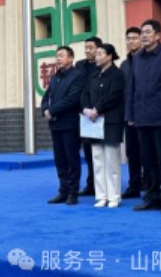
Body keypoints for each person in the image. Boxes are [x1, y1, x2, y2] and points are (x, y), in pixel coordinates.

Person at [125, 19, 161, 214]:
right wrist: (130, 113)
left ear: (158, 35)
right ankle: (151, 197)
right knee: (147, 160)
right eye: (142, 32)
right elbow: (131, 88)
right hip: (141, 116)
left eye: (148, 32)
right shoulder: (137, 58)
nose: (144, 35)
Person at [81, 44, 125, 208]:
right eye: (97, 54)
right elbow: (84, 94)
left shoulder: (117, 74)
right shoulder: (94, 75)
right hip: (93, 122)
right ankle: (101, 195)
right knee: (97, 160)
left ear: (110, 56)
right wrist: (86, 109)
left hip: (110, 121)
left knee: (111, 161)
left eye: (100, 54)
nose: (97, 57)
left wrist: (97, 109)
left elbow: (113, 95)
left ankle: (114, 196)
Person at [43, 46, 84, 206]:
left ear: (71, 58)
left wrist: (52, 111)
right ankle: (63, 191)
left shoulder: (77, 76)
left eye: (61, 56)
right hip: (55, 124)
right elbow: (47, 96)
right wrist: (45, 109)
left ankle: (73, 193)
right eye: (57, 56)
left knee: (72, 159)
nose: (58, 58)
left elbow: (72, 99)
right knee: (60, 160)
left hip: (70, 124)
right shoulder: (55, 77)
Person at [75, 37, 103, 196]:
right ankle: (90, 184)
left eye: (91, 47)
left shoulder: (102, 65)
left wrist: (96, 109)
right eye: (86, 47)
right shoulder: (79, 65)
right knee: (87, 152)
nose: (87, 51)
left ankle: (101, 185)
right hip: (82, 113)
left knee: (98, 152)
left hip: (98, 113)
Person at [119, 27, 143, 199]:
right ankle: (134, 185)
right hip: (128, 114)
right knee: (132, 152)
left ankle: (152, 184)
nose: (131, 41)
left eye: (134, 38)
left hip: (146, 114)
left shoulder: (148, 60)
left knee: (149, 153)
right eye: (128, 38)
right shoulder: (124, 65)